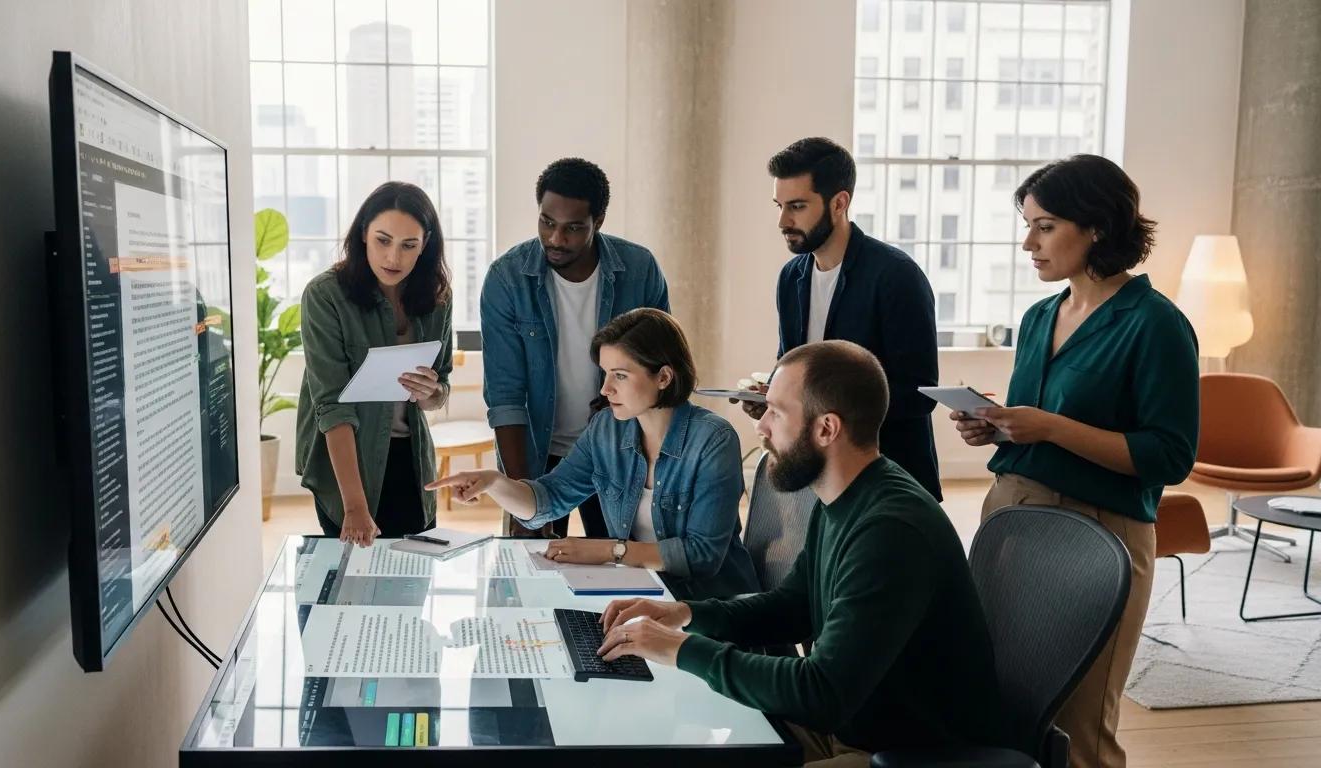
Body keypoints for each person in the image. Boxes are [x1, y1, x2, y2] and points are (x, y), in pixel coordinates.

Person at [600, 341, 1001, 765]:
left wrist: (680, 649)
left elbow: (821, 692)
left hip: (909, 752)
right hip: (851, 726)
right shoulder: (844, 496)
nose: (761, 427)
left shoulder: (891, 530)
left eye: (776, 411)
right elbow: (794, 606)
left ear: (827, 429)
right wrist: (686, 615)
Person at [950, 154, 1198, 768]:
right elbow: (1037, 423)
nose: (1027, 242)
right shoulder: (1038, 318)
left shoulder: (1156, 325)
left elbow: (1168, 456)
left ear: (1096, 228)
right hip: (1011, 517)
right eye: (1028, 224)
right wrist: (997, 429)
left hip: (1099, 535)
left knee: (1081, 726)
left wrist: (1051, 428)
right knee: (1003, 700)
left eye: (1046, 226)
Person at [429, 309, 758, 600]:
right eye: (605, 373)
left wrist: (608, 551)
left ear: (663, 377)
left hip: (710, 608)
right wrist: (494, 482)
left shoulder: (714, 439)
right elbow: (549, 498)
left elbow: (702, 556)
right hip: (643, 594)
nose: (605, 389)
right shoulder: (607, 430)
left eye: (620, 375)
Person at [737, 137, 943, 501]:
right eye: (780, 206)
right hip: (816, 476)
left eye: (797, 206)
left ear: (839, 203)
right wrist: (774, 397)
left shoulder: (896, 275)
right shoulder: (791, 278)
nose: (783, 220)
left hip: (888, 481)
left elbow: (919, 394)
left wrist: (817, 408)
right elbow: (794, 363)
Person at [481, 158, 670, 539]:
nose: (555, 238)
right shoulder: (507, 279)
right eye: (547, 222)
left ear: (597, 222)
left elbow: (660, 373)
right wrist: (523, 497)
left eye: (572, 228)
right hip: (535, 452)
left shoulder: (639, 270)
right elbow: (506, 397)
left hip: (620, 450)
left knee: (622, 567)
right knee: (531, 578)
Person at [295, 181, 453, 546]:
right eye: (383, 241)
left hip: (410, 458)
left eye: (408, 245)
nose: (393, 258)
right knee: (351, 586)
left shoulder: (437, 297)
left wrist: (431, 393)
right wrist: (354, 506)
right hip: (348, 462)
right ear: (363, 233)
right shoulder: (325, 295)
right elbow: (332, 406)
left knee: (413, 577)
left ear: (425, 244)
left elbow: (439, 389)